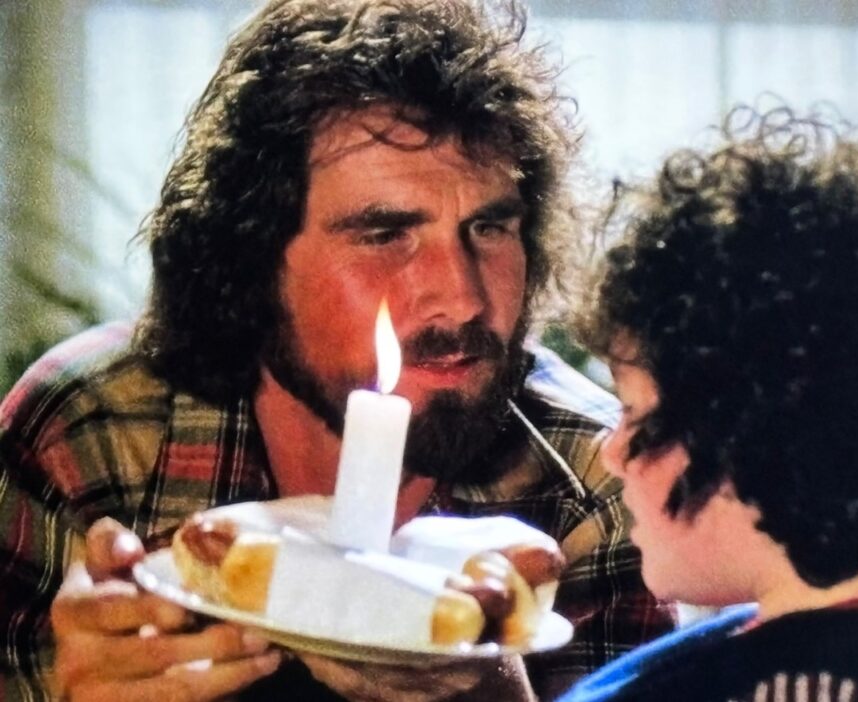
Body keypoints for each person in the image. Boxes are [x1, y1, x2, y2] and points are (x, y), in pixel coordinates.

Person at [0, 1, 675, 700]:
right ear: (253, 260)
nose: (463, 298)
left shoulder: (604, 478)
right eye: (385, 235)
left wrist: (488, 683)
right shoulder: (92, 430)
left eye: (489, 227)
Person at [559, 109, 858, 701]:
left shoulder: (820, 683)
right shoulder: (821, 640)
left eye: (634, 414)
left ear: (753, 433)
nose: (613, 450)